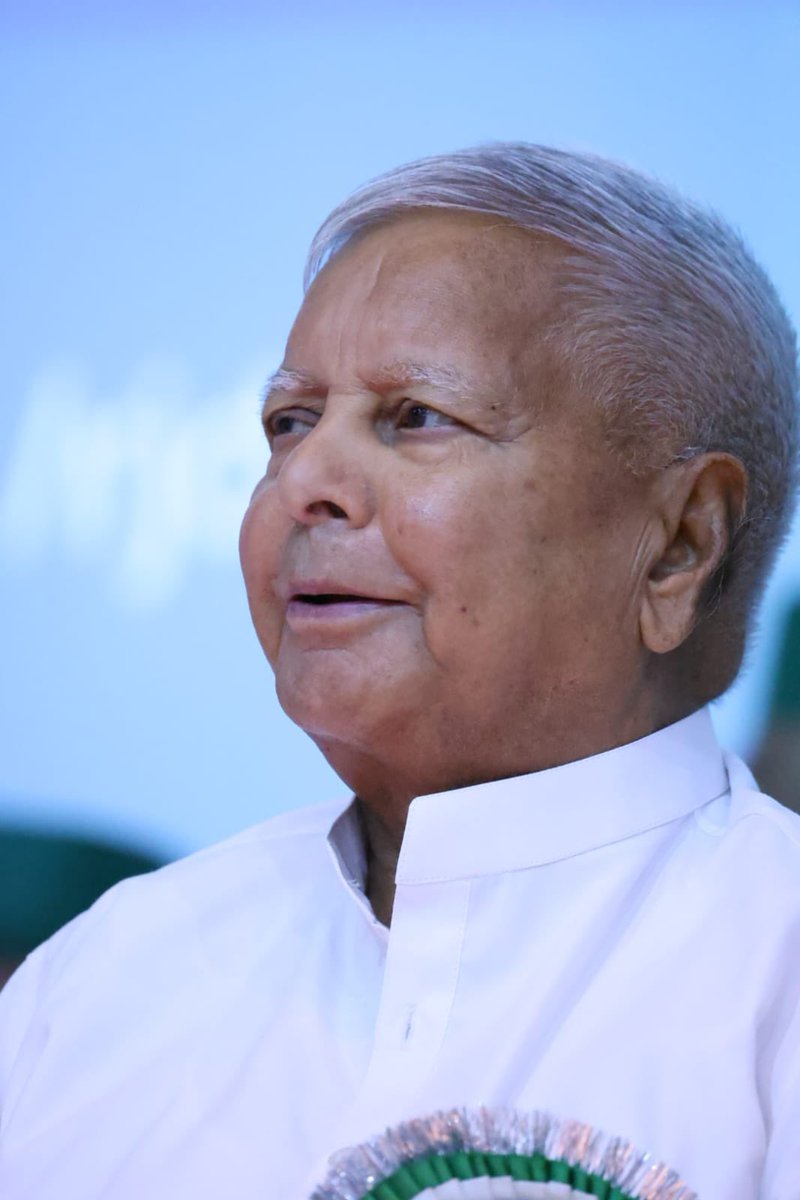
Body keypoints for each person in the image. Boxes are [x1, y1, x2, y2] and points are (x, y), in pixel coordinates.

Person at [0, 143, 798, 1200]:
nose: (304, 480)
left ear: (678, 545)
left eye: (415, 417)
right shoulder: (104, 974)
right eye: (289, 423)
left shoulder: (773, 975)